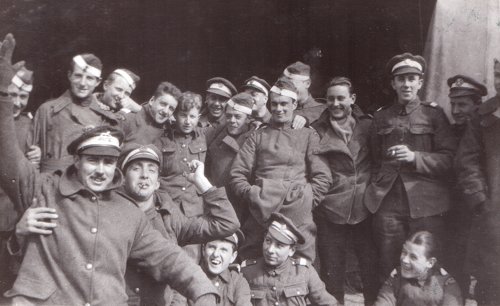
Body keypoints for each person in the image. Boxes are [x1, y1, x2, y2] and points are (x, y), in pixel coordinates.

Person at [0, 33, 218, 306]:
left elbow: (169, 257)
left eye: (109, 161)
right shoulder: (43, 190)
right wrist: (2, 91)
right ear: (76, 160)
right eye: (93, 160)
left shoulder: (128, 213)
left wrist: (205, 292)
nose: (101, 170)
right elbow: (6, 151)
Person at [365, 53, 456, 281]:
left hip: (427, 205)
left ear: (420, 82)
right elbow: (375, 160)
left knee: (427, 269)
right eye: (401, 79)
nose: (406, 84)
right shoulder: (381, 117)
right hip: (388, 205)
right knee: (388, 267)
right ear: (392, 84)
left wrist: (415, 157)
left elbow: (449, 160)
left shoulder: (434, 115)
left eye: (412, 78)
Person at [229, 77, 331, 262]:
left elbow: (323, 176)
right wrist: (253, 195)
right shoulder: (258, 135)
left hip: (298, 212)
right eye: (274, 104)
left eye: (284, 104)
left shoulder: (308, 135)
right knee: (251, 264)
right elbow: (237, 173)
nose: (278, 109)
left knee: (301, 268)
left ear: (294, 104)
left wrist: (306, 200)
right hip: (261, 211)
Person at [312, 77, 379, 305]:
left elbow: (379, 162)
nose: (335, 103)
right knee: (332, 271)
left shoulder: (369, 126)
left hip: (365, 206)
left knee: (370, 269)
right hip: (331, 207)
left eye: (341, 98)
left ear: (353, 99)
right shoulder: (316, 130)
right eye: (330, 98)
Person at [454, 58, 500, 306]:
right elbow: (467, 162)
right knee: (491, 284)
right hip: (494, 216)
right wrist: (481, 202)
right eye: (497, 75)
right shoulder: (483, 117)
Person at [31, 52, 120, 173]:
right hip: (50, 183)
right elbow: (31, 157)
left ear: (98, 82)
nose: (83, 83)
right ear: (69, 75)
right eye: (78, 76)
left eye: (89, 78)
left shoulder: (105, 118)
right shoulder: (48, 110)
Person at [444, 75, 487, 297]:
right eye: (453, 104)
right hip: (455, 213)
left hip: (481, 211)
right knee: (454, 269)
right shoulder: (448, 133)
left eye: (463, 104)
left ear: (478, 104)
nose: (456, 110)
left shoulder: (489, 133)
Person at [0, 66, 40, 295]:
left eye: (23, 96)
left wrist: (39, 154)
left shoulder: (30, 124)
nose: (17, 102)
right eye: (12, 95)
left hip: (13, 215)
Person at [241, 213, 337, 306]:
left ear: (292, 250)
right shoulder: (247, 271)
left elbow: (328, 303)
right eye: (268, 241)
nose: (270, 250)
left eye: (279, 245)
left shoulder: (304, 272)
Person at [374, 231, 462, 306]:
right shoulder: (396, 278)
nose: (405, 260)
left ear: (430, 263)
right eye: (404, 252)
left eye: (413, 257)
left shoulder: (446, 283)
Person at [206, 92, 255, 221]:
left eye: (238, 117)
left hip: (242, 203)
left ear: (249, 118)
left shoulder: (256, 138)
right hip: (216, 200)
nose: (232, 121)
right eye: (228, 116)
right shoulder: (215, 135)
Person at [201, 230, 252, 306]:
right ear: (203, 250)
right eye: (212, 247)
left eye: (223, 250)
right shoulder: (188, 277)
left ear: (233, 256)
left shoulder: (238, 282)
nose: (216, 254)